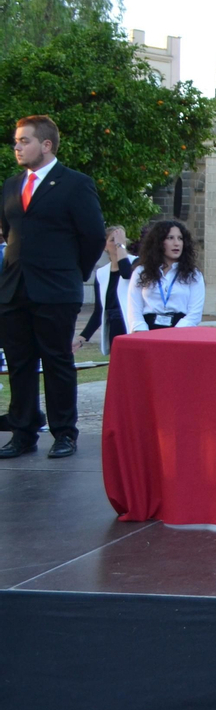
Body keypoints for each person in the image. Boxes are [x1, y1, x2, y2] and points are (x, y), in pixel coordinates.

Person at [0, 116, 105, 459]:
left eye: (23, 141)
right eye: (16, 141)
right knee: (19, 362)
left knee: (57, 361)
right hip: (15, 288)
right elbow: (7, 231)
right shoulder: (12, 184)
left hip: (57, 289)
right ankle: (23, 431)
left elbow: (91, 236)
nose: (17, 147)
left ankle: (64, 433)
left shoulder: (75, 184)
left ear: (46, 145)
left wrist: (74, 274)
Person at [126, 220, 206, 331]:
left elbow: (194, 314)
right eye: (170, 238)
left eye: (180, 238)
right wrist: (141, 331)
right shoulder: (141, 271)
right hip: (147, 330)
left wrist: (173, 334)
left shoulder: (193, 275)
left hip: (180, 331)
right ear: (159, 242)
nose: (176, 243)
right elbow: (134, 308)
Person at [77, 226, 135, 357]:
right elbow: (99, 310)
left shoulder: (136, 263)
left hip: (131, 324)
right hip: (114, 326)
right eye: (113, 240)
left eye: (120, 240)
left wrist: (121, 247)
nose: (116, 244)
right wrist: (83, 337)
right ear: (104, 246)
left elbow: (126, 273)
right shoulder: (102, 273)